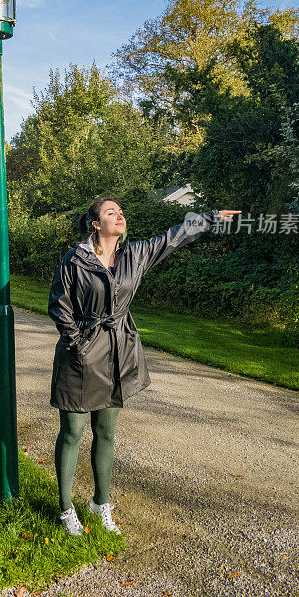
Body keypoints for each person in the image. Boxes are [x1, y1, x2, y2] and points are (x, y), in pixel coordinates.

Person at [48, 196, 242, 535]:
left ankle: (99, 503)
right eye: (111, 212)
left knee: (106, 433)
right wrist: (79, 346)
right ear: (95, 223)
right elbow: (59, 305)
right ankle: (66, 509)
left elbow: (173, 236)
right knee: (73, 433)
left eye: (121, 211)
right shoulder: (74, 259)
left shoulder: (134, 255)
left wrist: (210, 218)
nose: (120, 215)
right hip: (80, 357)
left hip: (118, 354)